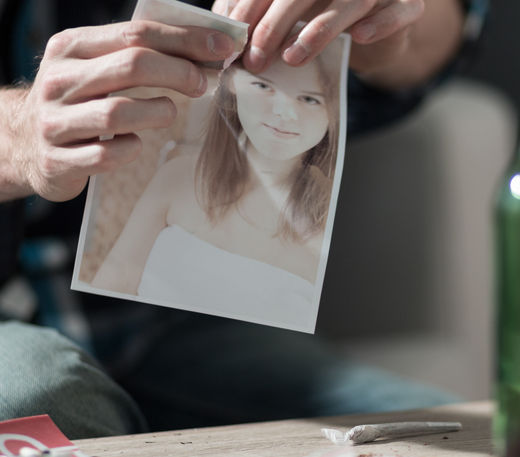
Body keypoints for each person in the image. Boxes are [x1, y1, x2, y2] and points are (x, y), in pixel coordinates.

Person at [0, 0, 489, 457]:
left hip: (146, 319)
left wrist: (382, 19)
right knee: (38, 401)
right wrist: (22, 132)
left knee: (461, 447)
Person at [90, 39, 344, 329]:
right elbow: (115, 279)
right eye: (265, 86)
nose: (284, 113)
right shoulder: (179, 176)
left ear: (334, 113)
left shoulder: (330, 224)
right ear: (233, 83)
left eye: (310, 99)